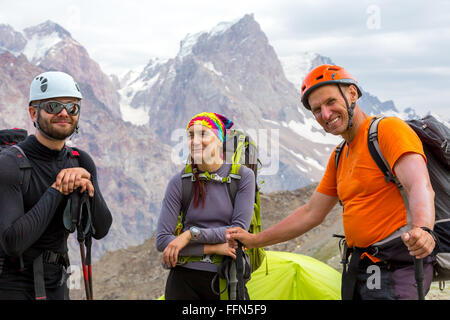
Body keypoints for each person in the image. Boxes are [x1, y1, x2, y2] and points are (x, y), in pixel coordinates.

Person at [226, 64, 437, 300]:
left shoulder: (388, 130)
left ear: (352, 94)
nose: (325, 115)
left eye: (330, 102)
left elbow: (419, 184)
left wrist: (423, 229)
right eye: (317, 110)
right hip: (361, 266)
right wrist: (255, 240)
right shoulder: (339, 155)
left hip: (397, 265)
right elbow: (311, 213)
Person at [0, 71, 113, 300]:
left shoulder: (80, 160)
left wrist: (88, 187)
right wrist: (58, 190)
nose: (64, 113)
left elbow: (101, 229)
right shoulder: (10, 164)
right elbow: (13, 242)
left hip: (57, 282)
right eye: (53, 106)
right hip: (12, 285)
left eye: (72, 107)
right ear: (34, 112)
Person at [156, 112, 255, 300]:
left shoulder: (242, 177)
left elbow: (238, 231)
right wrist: (213, 248)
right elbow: (163, 241)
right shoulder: (179, 182)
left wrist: (189, 235)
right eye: (191, 135)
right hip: (182, 282)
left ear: (219, 140)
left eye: (203, 134)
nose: (195, 141)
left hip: (227, 278)